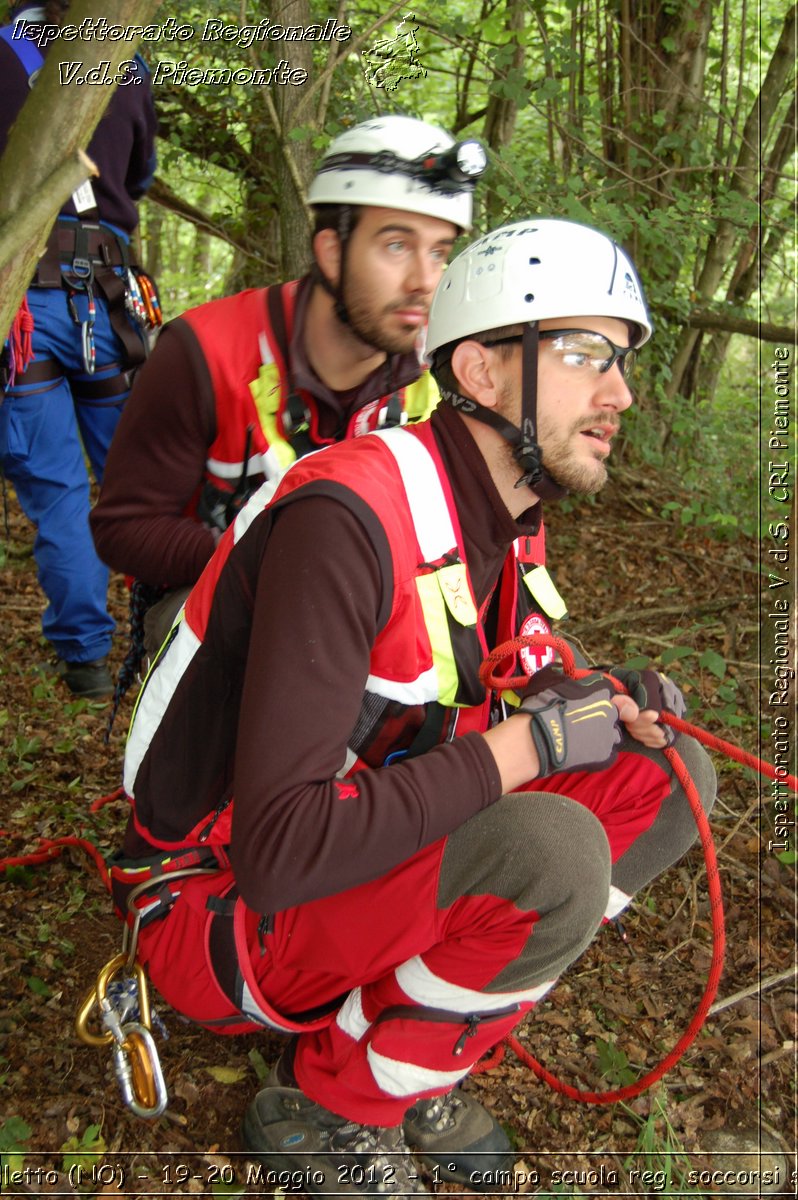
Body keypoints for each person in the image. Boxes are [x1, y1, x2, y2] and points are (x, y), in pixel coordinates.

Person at [109, 217, 716, 1193]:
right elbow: (280, 853)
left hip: (351, 849)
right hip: (214, 906)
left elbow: (476, 688)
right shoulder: (348, 521)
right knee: (551, 847)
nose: (622, 393)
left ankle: (417, 1034)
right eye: (585, 354)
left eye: (623, 360)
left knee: (669, 773)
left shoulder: (507, 519)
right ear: (478, 371)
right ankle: (328, 1101)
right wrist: (533, 745)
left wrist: (591, 701)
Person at [90, 115, 487, 662]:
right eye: (397, 245)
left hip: (375, 605)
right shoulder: (205, 353)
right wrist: (266, 557)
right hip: (214, 605)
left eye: (440, 252)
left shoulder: (439, 376)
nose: (425, 280)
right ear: (330, 251)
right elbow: (122, 528)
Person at [0, 1, 157, 698]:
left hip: (21, 310)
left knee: (60, 493)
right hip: (106, 302)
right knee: (141, 482)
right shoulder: (125, 60)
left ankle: (88, 660)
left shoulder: (4, 54)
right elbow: (142, 174)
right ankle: (169, 627)